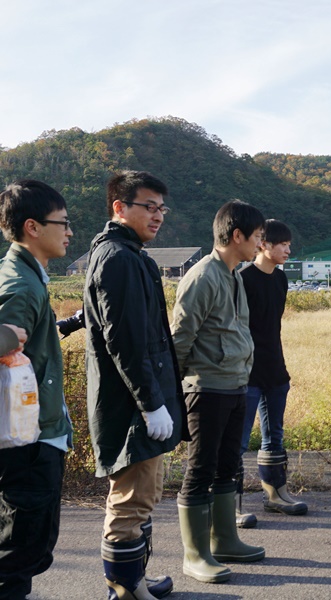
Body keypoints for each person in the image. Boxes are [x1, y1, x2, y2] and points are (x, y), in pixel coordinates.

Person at [83, 171, 187, 599]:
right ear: (120, 207)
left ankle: (135, 579)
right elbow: (125, 341)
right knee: (130, 501)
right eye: (149, 206)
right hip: (130, 404)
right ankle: (124, 590)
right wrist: (150, 404)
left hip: (141, 397)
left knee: (145, 495)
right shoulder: (119, 258)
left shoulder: (128, 254)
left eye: (162, 208)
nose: (158, 215)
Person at [171, 200, 265, 584]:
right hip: (206, 388)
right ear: (237, 235)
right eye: (257, 236)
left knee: (229, 466)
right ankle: (195, 555)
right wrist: (173, 395)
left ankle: (224, 540)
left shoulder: (233, 275)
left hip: (235, 385)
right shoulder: (202, 276)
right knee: (200, 469)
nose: (260, 243)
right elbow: (179, 340)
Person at [0, 180, 73, 600]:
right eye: (62, 223)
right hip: (27, 439)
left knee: (25, 546)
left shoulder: (25, 275)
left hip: (30, 433)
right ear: (32, 226)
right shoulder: (21, 285)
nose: (68, 232)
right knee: (19, 551)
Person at [235, 219, 306, 529]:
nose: (288, 250)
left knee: (274, 435)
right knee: (237, 440)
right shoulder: (242, 279)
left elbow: (272, 327)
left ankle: (276, 494)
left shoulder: (280, 279)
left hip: (275, 369)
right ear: (263, 244)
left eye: (289, 244)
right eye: (283, 244)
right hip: (246, 372)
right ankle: (231, 504)